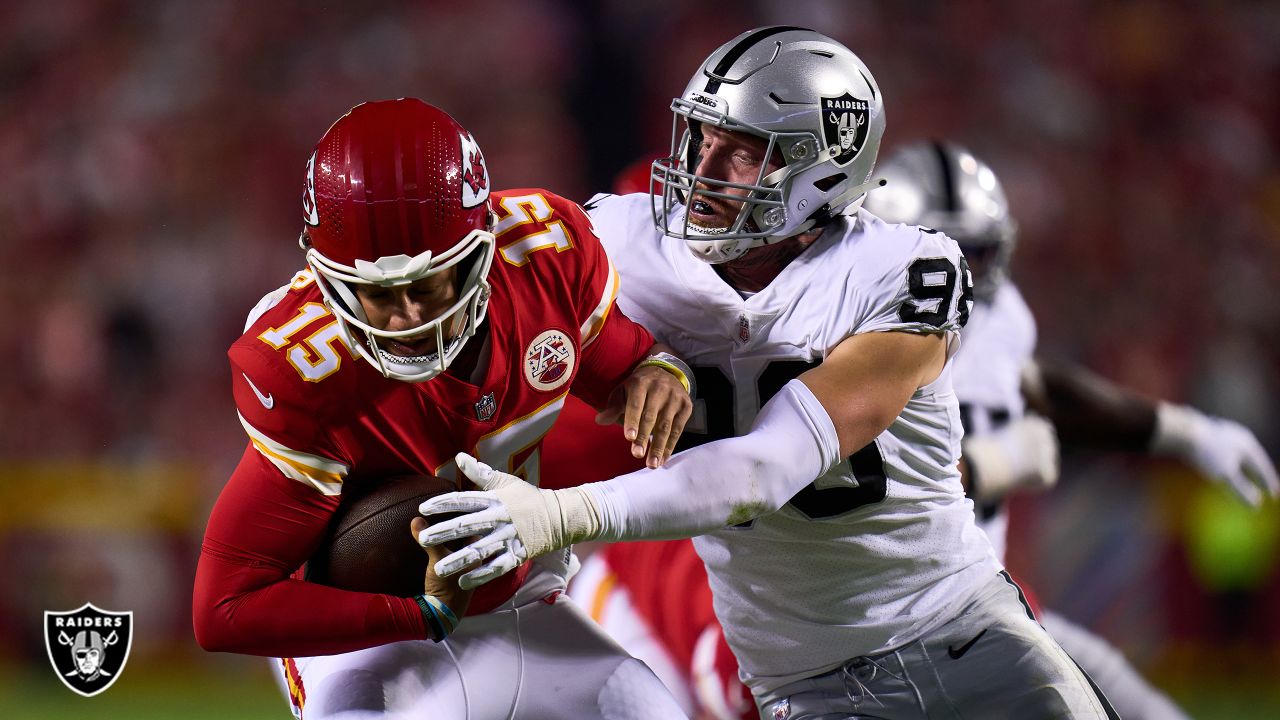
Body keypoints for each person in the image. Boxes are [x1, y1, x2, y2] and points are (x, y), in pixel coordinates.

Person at [420, 28, 1117, 719]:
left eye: (742, 152)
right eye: (698, 137)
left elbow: (765, 470)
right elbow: (452, 260)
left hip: (967, 633)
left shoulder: (903, 270)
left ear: (824, 169)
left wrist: (559, 516)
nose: (703, 167)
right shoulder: (619, 244)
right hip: (804, 683)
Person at [566, 142, 1280, 720]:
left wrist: (1181, 433)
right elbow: (793, 465)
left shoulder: (951, 306)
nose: (971, 276)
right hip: (827, 630)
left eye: (979, 253)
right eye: (951, 249)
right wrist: (995, 462)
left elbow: (1033, 382)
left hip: (954, 614)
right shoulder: (819, 322)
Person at [191, 98, 694, 720]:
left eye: (429, 286)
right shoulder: (300, 368)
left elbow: (622, 361)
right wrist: (421, 611)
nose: (407, 319)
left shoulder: (545, 256)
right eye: (377, 296)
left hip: (524, 591)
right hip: (367, 631)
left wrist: (657, 370)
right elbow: (224, 610)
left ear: (480, 253)